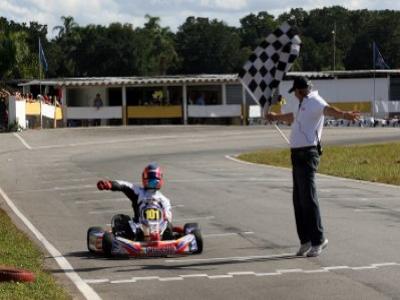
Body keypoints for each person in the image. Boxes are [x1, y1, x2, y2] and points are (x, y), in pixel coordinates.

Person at [266, 76, 360, 257]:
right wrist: (275, 117)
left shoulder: (315, 100)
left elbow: (329, 110)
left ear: (301, 91)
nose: (294, 95)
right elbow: (292, 117)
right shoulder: (302, 103)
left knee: (308, 198)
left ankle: (318, 240)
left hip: (308, 153)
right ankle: (305, 241)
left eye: (295, 92)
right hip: (296, 154)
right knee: (298, 200)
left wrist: (345, 115)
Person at [96, 163, 173, 240]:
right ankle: (121, 239)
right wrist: (110, 184)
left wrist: (164, 221)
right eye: (150, 181)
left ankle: (162, 238)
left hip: (158, 229)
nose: (152, 184)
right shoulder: (138, 192)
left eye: (154, 182)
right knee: (120, 220)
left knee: (168, 227)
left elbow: (168, 217)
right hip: (139, 227)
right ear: (144, 180)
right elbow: (124, 185)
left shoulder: (164, 200)